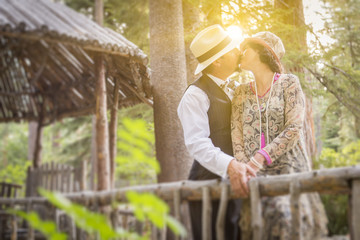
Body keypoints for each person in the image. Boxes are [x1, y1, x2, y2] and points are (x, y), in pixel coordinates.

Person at [231, 31, 328, 239]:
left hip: (289, 168)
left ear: (263, 53)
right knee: (258, 227)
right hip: (253, 173)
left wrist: (260, 157)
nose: (241, 53)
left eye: (247, 48)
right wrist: (243, 168)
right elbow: (236, 135)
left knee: (287, 222)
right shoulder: (240, 92)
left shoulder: (289, 83)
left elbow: (294, 128)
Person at [177, 24, 256, 240]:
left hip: (237, 182)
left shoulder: (234, 88)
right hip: (208, 187)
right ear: (217, 61)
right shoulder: (194, 95)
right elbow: (197, 143)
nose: (239, 51)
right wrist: (230, 165)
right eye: (232, 49)